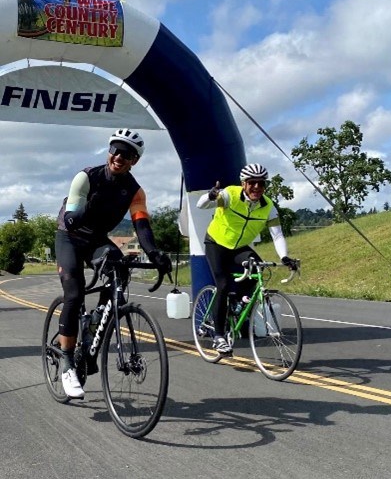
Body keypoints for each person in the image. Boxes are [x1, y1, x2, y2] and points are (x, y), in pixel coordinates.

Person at [56, 128, 172, 399]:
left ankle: (96, 321)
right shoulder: (86, 177)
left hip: (97, 238)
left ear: (135, 160)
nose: (119, 156)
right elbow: (72, 217)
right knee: (74, 292)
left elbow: (142, 226)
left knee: (120, 269)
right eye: (116, 150)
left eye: (127, 153)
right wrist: (85, 209)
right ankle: (67, 362)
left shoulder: (134, 191)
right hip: (69, 237)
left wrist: (155, 253)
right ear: (109, 152)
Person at [197, 163, 299, 355]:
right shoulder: (229, 195)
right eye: (252, 183)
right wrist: (211, 196)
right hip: (216, 243)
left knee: (258, 269)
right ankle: (219, 336)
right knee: (223, 284)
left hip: (239, 247)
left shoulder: (268, 207)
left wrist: (284, 257)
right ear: (244, 183)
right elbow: (200, 205)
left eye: (261, 184)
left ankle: (238, 301)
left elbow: (277, 235)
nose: (257, 188)